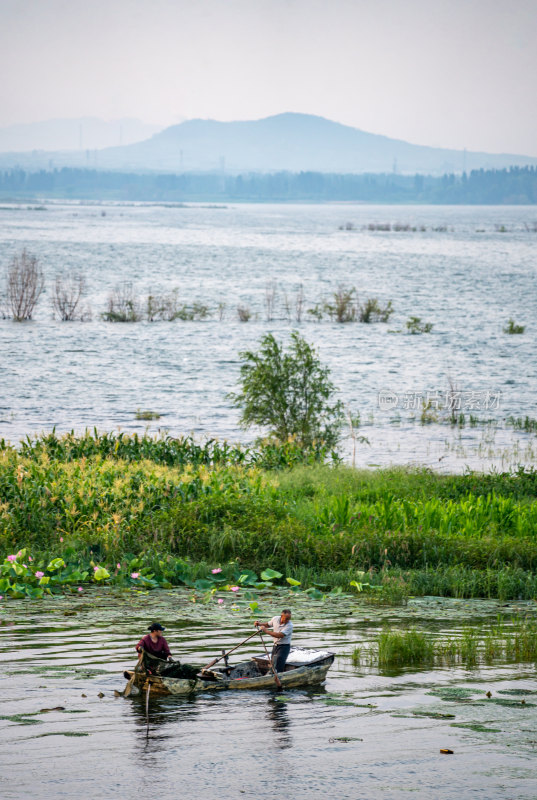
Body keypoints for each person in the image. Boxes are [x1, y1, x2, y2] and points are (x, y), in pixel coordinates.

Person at [255, 609, 293, 673]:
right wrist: (259, 624)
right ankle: (272, 675)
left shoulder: (289, 625)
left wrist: (266, 631)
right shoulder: (275, 618)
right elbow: (268, 624)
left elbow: (279, 635)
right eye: (286, 618)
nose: (287, 621)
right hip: (276, 646)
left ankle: (278, 677)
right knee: (273, 663)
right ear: (281, 616)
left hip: (284, 647)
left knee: (278, 663)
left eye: (289, 619)